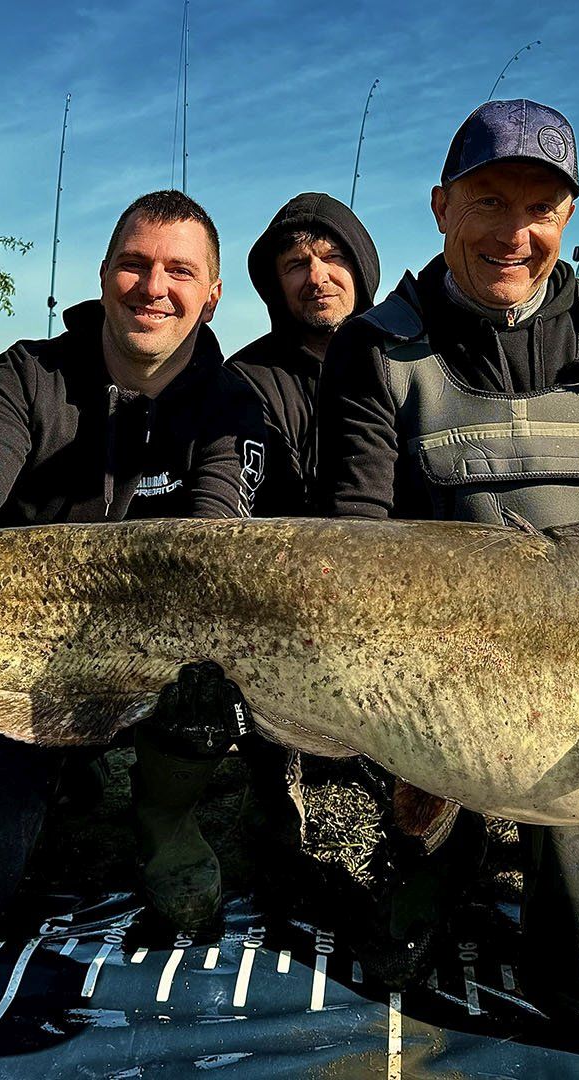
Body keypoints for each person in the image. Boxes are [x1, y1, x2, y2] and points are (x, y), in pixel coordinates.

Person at [315, 99, 579, 1057]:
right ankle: (431, 845)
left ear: (567, 218)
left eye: (542, 206)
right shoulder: (377, 349)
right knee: (392, 961)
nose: (517, 232)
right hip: (440, 697)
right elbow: (352, 545)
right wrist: (401, 739)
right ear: (441, 209)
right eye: (489, 201)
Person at [0, 190, 265, 940]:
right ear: (104, 273)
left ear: (211, 296)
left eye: (180, 271)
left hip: (166, 665)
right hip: (26, 663)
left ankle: (163, 815)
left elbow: (218, 544)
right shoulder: (27, 375)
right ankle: (41, 773)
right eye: (134, 265)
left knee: (215, 680)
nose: (154, 287)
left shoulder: (235, 405)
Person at [225, 193, 381, 857]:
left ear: (360, 268)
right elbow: (232, 498)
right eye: (296, 263)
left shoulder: (408, 360)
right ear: (275, 284)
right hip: (284, 604)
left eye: (332, 256)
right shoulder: (246, 377)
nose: (315, 275)